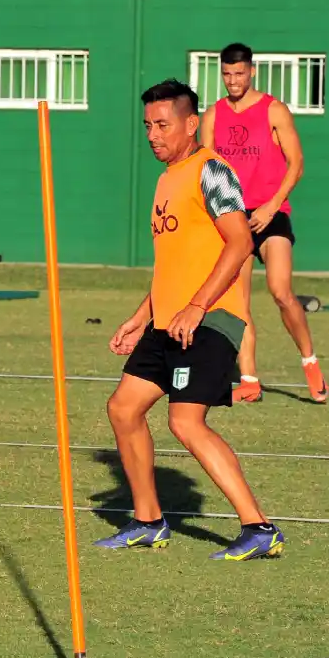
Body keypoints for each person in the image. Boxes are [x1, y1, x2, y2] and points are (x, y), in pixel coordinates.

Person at [97, 79, 285, 561]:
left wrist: (198, 305)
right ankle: (147, 521)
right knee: (123, 409)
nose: (153, 134)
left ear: (190, 123)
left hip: (211, 319)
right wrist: (142, 317)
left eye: (162, 125)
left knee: (186, 421)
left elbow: (240, 242)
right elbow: (174, 264)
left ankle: (259, 528)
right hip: (169, 322)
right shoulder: (165, 180)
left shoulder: (212, 170)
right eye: (147, 126)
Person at [200, 43, 327, 404]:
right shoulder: (212, 116)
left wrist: (271, 207)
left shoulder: (273, 110)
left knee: (281, 292)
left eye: (239, 74)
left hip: (270, 215)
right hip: (234, 217)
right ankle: (250, 381)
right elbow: (207, 169)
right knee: (238, 304)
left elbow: (296, 163)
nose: (232, 80)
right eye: (226, 74)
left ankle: (310, 362)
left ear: (251, 72)